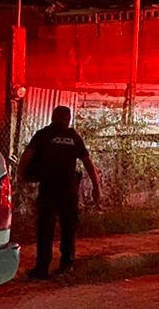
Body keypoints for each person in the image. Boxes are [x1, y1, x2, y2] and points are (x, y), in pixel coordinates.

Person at [17, 105, 100, 279]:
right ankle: (66, 264)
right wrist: (96, 186)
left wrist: (20, 177)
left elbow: (26, 156)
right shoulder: (74, 137)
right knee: (68, 228)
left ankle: (42, 268)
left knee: (45, 229)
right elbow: (88, 163)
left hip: (49, 188)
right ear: (68, 119)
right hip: (69, 190)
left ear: (52, 117)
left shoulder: (43, 135)